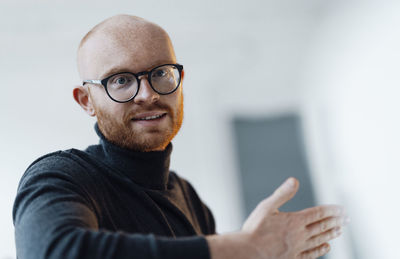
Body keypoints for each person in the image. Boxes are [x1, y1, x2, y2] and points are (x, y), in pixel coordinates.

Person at [12, 15, 348, 259]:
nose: (147, 94)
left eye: (160, 73)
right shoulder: (61, 176)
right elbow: (55, 253)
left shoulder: (190, 200)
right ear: (87, 101)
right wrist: (245, 247)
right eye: (121, 80)